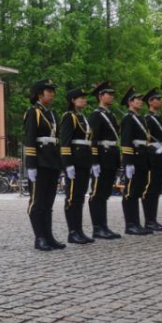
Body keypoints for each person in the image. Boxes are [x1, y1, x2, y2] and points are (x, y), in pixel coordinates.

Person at [24, 80, 63, 251]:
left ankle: (49, 236)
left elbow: (57, 139)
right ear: (40, 94)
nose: (52, 94)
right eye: (49, 91)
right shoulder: (33, 112)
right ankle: (39, 237)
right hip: (39, 162)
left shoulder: (52, 114)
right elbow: (29, 138)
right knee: (37, 202)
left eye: (53, 91)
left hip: (52, 162)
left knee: (48, 202)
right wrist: (31, 165)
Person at [86, 82, 122, 240]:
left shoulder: (111, 115)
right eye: (109, 94)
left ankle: (104, 226)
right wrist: (94, 161)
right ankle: (97, 228)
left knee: (105, 193)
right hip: (101, 157)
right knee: (97, 193)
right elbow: (92, 140)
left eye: (113, 94)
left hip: (110, 157)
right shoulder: (96, 115)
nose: (112, 96)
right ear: (100, 96)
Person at [60, 87, 95, 245]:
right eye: (81, 98)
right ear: (73, 100)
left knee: (80, 197)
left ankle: (79, 230)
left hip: (84, 161)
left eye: (84, 98)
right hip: (75, 161)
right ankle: (72, 232)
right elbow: (65, 142)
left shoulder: (82, 117)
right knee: (72, 197)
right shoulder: (69, 116)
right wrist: (68, 164)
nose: (84, 100)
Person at [119, 87, 153, 236]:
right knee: (130, 192)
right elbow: (126, 140)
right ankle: (130, 224)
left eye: (140, 99)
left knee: (138, 191)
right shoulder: (128, 118)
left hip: (142, 158)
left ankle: (137, 223)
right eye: (137, 99)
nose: (140, 102)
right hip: (134, 158)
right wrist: (128, 162)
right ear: (130, 102)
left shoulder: (140, 118)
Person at [142, 89, 162, 232]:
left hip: (161, 156)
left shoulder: (159, 118)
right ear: (150, 102)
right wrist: (155, 149)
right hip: (152, 158)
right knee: (151, 189)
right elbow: (145, 140)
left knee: (157, 189)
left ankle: (153, 220)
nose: (160, 101)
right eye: (157, 99)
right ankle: (149, 221)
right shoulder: (147, 118)